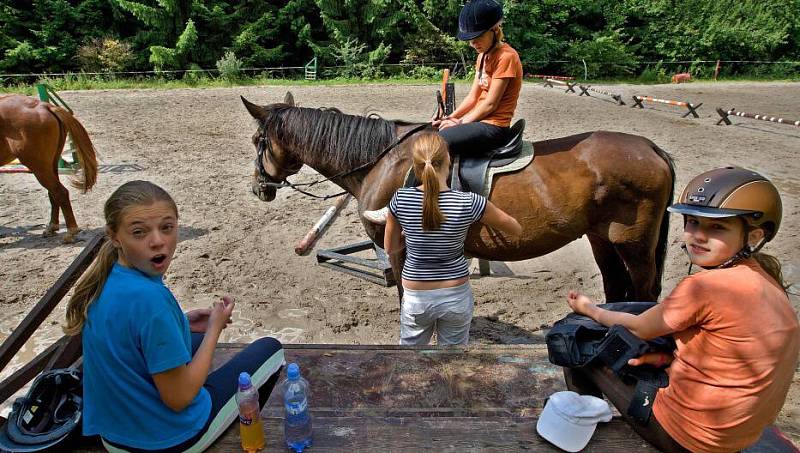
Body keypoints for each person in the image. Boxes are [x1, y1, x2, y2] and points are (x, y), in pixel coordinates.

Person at [563, 167, 800, 453]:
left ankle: (586, 424)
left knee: (573, 337)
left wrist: (590, 310)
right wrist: (667, 357)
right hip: (741, 433)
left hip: (691, 439)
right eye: (693, 222)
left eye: (717, 227)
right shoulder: (768, 280)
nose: (698, 236)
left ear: (753, 237)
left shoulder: (706, 287)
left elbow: (640, 327)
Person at [64, 180, 285, 452]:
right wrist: (214, 329)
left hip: (113, 437)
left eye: (167, 228)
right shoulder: (151, 300)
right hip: (167, 441)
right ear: (114, 236)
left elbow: (133, 332)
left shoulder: (107, 279)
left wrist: (182, 321)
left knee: (189, 337)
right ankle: (247, 429)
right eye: (139, 232)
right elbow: (178, 399)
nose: (158, 241)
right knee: (271, 350)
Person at [384, 132, 521, 345]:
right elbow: (515, 228)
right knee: (453, 363)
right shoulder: (469, 202)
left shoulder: (400, 199)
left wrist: (408, 236)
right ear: (448, 160)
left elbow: (390, 248)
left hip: (416, 296)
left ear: (416, 167)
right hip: (455, 295)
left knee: (409, 361)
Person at [434, 0, 523, 156]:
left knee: (435, 143)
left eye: (478, 37)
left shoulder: (506, 57)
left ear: (495, 30)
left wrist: (460, 123)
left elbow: (490, 104)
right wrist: (449, 118)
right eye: (469, 39)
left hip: (494, 126)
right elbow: (473, 97)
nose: (473, 43)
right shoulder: (482, 56)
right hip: (478, 122)